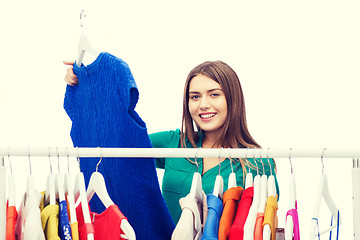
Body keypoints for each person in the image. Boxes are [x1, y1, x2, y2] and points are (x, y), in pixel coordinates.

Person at [63, 59, 279, 224]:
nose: (203, 104)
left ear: (233, 99)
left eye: (214, 95)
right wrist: (89, 84)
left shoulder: (257, 162)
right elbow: (115, 143)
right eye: (195, 97)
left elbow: (264, 226)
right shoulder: (174, 143)